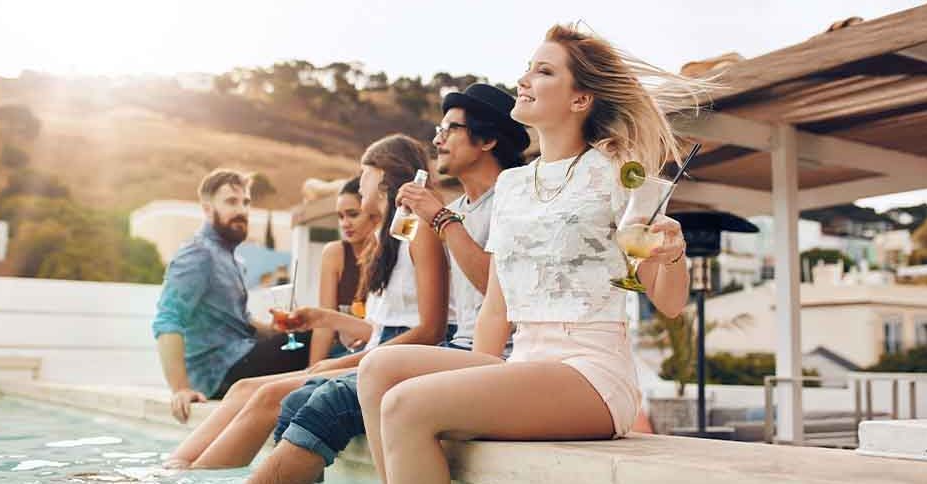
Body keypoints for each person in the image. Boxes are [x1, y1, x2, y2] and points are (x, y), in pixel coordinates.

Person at [357, 23, 707, 484]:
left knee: (407, 405)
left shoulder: (619, 174)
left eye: (543, 72)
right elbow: (497, 306)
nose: (523, 80)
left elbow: (669, 302)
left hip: (591, 371)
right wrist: (475, 373)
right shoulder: (514, 184)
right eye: (527, 69)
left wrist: (672, 255)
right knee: (378, 368)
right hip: (524, 360)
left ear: (581, 99)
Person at [245, 83, 529, 484]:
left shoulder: (511, 201)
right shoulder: (459, 209)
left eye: (450, 129)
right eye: (438, 128)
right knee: (298, 399)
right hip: (455, 350)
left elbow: (502, 289)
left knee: (332, 400)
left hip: (500, 358)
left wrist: (440, 220)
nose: (437, 139)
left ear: (487, 139)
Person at [163, 134, 450, 469]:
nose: (360, 186)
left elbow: (430, 329)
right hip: (377, 352)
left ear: (384, 176)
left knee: (269, 396)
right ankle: (177, 468)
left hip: (393, 360)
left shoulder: (419, 232)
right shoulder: (387, 241)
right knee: (243, 388)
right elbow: (384, 326)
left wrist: (334, 360)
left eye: (365, 174)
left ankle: (193, 474)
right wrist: (320, 318)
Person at [152, 169, 312, 424]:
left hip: (239, 357)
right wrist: (180, 389)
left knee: (315, 330)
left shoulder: (232, 257)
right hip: (219, 373)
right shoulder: (198, 253)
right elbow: (168, 319)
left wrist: (273, 329)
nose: (242, 210)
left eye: (245, 202)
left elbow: (238, 321)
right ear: (207, 209)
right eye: (231, 202)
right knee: (315, 339)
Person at [308, 176, 376, 363]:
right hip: (340, 353)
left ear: (374, 213)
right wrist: (310, 373)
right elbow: (324, 326)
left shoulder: (389, 254)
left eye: (353, 214)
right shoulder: (335, 253)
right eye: (340, 216)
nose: (345, 223)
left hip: (374, 353)